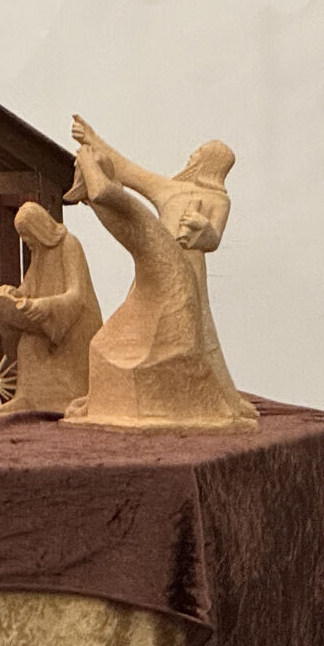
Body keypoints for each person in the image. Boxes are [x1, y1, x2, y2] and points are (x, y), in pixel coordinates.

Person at [67, 115, 256, 422]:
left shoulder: (218, 199)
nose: (191, 156)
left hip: (188, 268)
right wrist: (92, 138)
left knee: (195, 331)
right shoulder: (170, 189)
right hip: (154, 261)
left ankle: (216, 395)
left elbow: (213, 240)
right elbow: (127, 170)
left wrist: (202, 227)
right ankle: (124, 393)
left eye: (198, 153)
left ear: (210, 163)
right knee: (137, 323)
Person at [0, 202, 102, 414]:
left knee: (35, 344)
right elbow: (29, 286)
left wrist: (47, 305)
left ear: (40, 228)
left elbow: (77, 295)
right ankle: (26, 399)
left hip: (74, 324)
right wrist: (13, 293)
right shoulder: (39, 251)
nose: (26, 241)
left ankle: (67, 399)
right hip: (50, 323)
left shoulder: (69, 245)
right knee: (27, 344)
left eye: (28, 235)